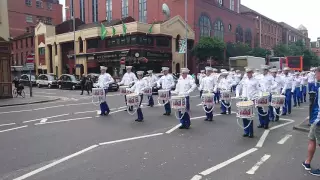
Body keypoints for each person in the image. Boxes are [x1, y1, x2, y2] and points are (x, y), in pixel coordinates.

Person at [302, 67, 320, 176]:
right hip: (315, 119)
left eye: (317, 74)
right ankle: (307, 162)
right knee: (311, 139)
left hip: (319, 120)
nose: (316, 76)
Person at [236, 67, 261, 138]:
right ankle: (246, 131)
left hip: (251, 100)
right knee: (244, 115)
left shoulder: (256, 81)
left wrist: (256, 98)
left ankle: (251, 132)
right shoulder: (244, 80)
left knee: (249, 116)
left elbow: (259, 90)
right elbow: (238, 87)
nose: (248, 74)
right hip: (244, 100)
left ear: (252, 73)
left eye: (250, 72)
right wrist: (238, 94)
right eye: (247, 72)